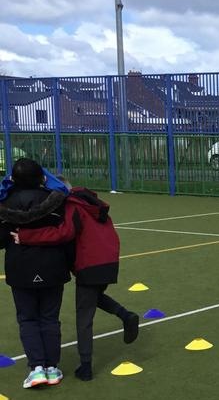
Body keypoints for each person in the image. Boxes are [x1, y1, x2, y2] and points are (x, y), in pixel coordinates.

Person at [14, 180, 139, 381]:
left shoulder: (73, 206)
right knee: (93, 298)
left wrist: (26, 236)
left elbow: (62, 234)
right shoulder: (90, 203)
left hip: (91, 262)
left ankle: (86, 366)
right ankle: (126, 315)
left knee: (84, 316)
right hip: (108, 259)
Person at [0, 158, 71, 388]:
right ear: (42, 177)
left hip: (20, 268)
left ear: (13, 179)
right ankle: (51, 367)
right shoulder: (56, 200)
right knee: (49, 318)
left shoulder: (6, 202)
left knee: (28, 318)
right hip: (53, 266)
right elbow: (66, 232)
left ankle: (37, 367)